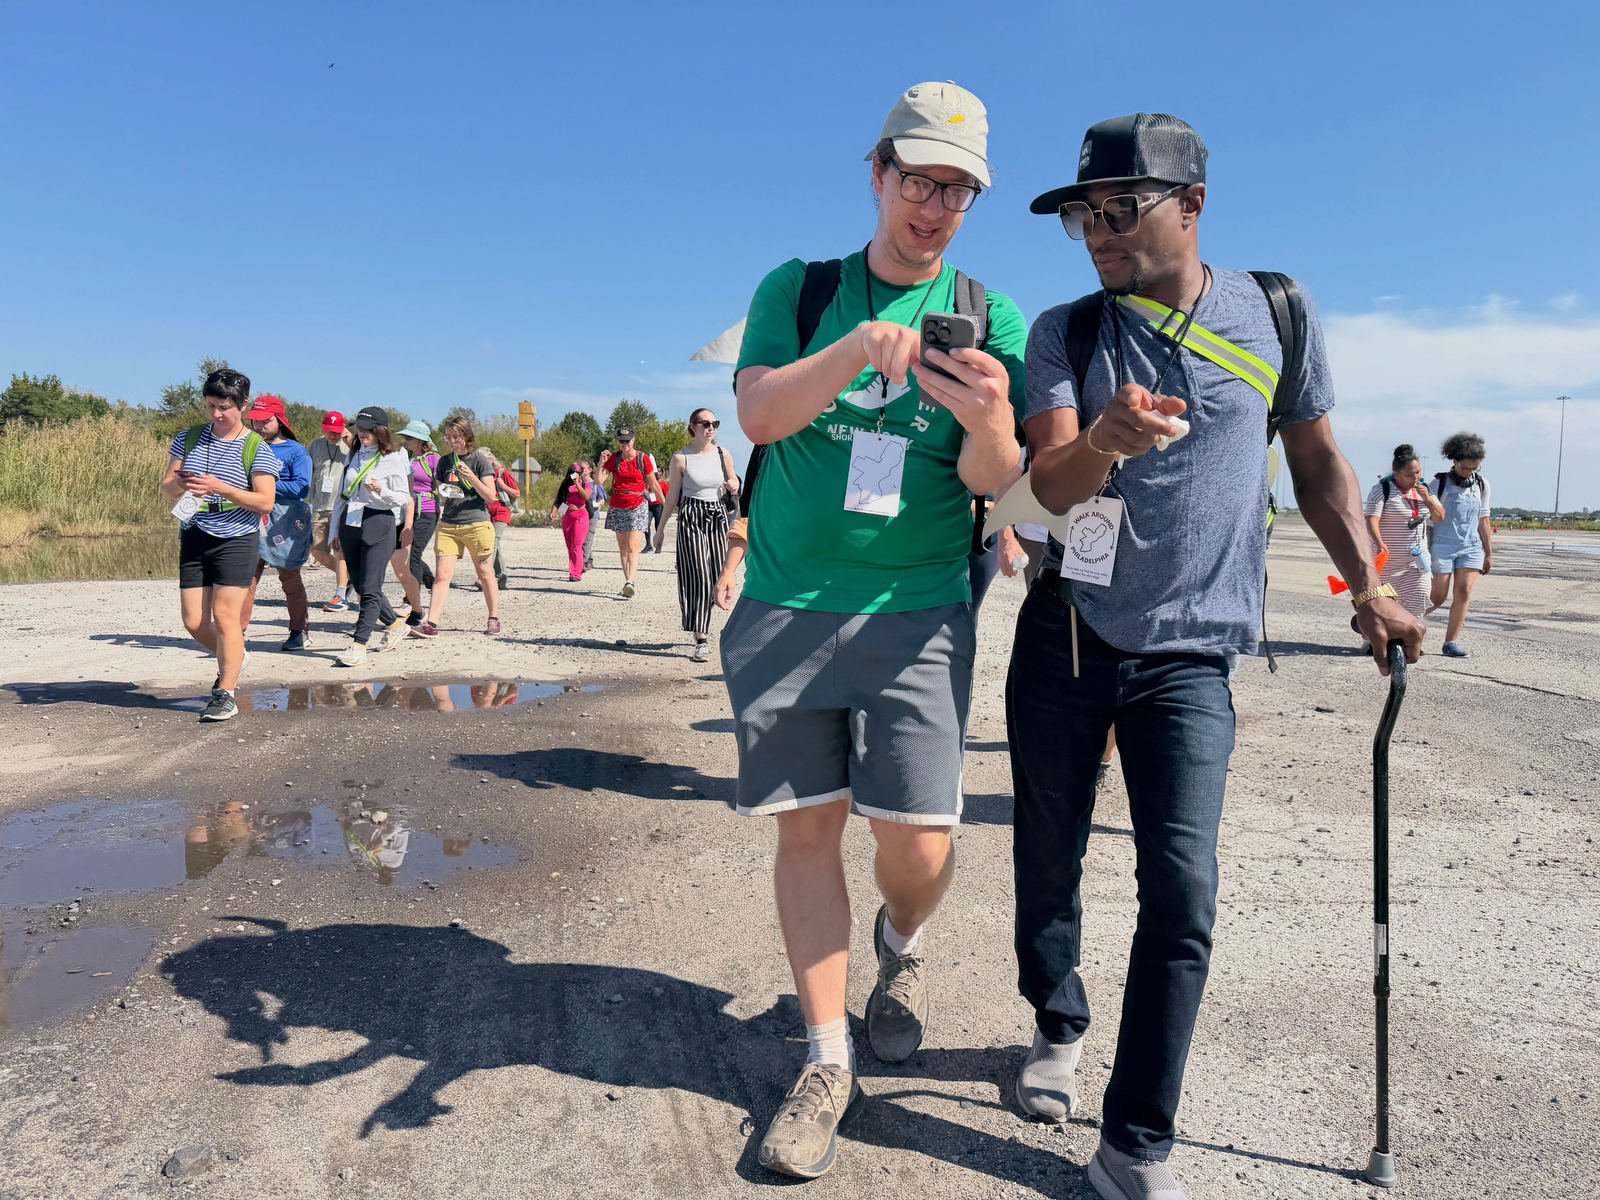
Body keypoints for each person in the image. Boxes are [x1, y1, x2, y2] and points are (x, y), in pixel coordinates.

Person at [1008, 112, 1425, 1200]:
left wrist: (1369, 586)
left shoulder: (1275, 311)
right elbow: (1047, 489)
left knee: (1182, 894)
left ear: (1192, 204)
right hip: (1066, 634)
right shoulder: (1065, 333)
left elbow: (1320, 466)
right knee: (1048, 856)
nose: (1099, 231)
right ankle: (1056, 1019)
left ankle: (1133, 1146)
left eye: (1121, 207)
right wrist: (1106, 439)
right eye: (1083, 215)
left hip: (1191, 656)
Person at [727, 82, 1026, 1179]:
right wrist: (856, 347)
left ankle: (902, 944)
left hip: (918, 613)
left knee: (921, 844)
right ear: (878, 173)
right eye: (917, 180)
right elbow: (760, 413)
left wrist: (989, 416)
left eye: (956, 190)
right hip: (784, 606)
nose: (933, 207)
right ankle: (825, 1060)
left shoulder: (992, 315)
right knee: (807, 832)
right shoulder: (800, 290)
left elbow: (996, 482)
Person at [158, 368, 282, 722]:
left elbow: (265, 502)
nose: (216, 414)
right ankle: (236, 654)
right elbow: (166, 487)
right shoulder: (189, 438)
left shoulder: (256, 447)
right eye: (211, 405)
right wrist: (180, 484)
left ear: (243, 405)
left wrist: (220, 488)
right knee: (194, 621)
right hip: (195, 532)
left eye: (224, 407)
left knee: (225, 618)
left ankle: (225, 692)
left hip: (237, 538)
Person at [328, 406, 412, 666]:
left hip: (379, 522)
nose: (362, 433)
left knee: (371, 587)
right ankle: (395, 626)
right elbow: (342, 496)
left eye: (368, 430)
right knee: (361, 585)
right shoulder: (353, 455)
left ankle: (359, 646)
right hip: (350, 522)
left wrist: (381, 490)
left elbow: (404, 499)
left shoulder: (393, 458)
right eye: (360, 429)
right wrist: (334, 531)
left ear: (380, 431)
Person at [654, 408, 739, 662]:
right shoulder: (681, 458)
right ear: (693, 426)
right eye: (705, 423)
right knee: (698, 575)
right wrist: (660, 530)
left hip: (718, 516)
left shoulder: (723, 454)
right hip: (692, 516)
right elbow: (672, 499)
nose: (711, 427)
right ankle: (702, 639)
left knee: (717, 573)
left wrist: (733, 485)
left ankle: (704, 616)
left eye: (714, 423)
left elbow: (734, 483)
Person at [411, 416, 502, 637]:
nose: (452, 441)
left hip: (477, 524)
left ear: (467, 436)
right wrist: (442, 491)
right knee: (442, 575)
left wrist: (472, 478)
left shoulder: (480, 461)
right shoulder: (444, 462)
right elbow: (440, 491)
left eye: (456, 437)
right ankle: (431, 623)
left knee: (484, 573)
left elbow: (490, 496)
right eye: (448, 437)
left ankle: (493, 618)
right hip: (449, 524)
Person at [237, 395, 314, 650]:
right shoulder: (247, 445)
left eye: (265, 421)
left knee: (289, 577)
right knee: (246, 579)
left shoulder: (296, 451)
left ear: (279, 420)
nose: (259, 426)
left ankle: (299, 631)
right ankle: (235, 634)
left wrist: (266, 485)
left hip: (284, 521)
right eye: (255, 421)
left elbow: (302, 487)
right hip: (250, 517)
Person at [1363, 443, 1446, 624]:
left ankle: (1410, 634)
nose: (1416, 478)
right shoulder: (1382, 490)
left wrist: (1427, 499)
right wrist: (1379, 543)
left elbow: (1439, 517)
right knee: (1384, 604)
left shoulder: (1425, 489)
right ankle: (1380, 635)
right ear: (1396, 474)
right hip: (1388, 562)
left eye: (1418, 472)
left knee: (1420, 595)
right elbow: (1371, 520)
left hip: (1417, 561)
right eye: (1410, 475)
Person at [1427, 431, 1493, 658]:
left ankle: (1450, 642)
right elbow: (1429, 522)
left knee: (1464, 591)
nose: (1469, 472)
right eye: (1465, 468)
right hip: (1442, 545)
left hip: (1471, 546)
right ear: (1454, 461)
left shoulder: (1482, 485)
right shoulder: (1439, 484)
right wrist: (1425, 551)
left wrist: (1488, 552)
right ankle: (1401, 623)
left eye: (1475, 468)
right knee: (1437, 596)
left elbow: (1484, 519)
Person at [598, 429, 662, 599]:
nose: (624, 444)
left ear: (633, 440)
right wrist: (601, 463)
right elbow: (598, 481)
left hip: (638, 504)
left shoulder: (643, 458)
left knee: (633, 545)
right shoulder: (614, 459)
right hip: (618, 505)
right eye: (621, 441)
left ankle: (630, 582)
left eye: (627, 441)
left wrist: (667, 504)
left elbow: (654, 484)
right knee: (623, 547)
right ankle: (627, 582)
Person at [309, 413, 353, 611]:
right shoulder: (315, 445)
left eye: (336, 432)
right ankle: (351, 576)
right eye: (329, 432)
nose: (333, 436)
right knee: (317, 550)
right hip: (319, 506)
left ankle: (340, 593)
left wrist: (352, 443)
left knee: (339, 550)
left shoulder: (350, 447)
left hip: (340, 507)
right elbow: (311, 473)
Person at [397, 420, 440, 619]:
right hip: (408, 510)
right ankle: (431, 582)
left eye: (409, 437)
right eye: (405, 437)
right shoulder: (407, 459)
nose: (406, 441)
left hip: (427, 510)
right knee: (405, 553)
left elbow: (441, 485)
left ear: (421, 440)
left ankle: (410, 602)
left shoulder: (433, 459)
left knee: (413, 553)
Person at [550, 461, 594, 581]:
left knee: (576, 545)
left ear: (580, 474)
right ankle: (575, 568)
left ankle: (576, 573)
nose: (573, 475)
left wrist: (577, 484)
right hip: (567, 516)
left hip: (580, 516)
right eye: (571, 472)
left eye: (576, 473)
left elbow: (586, 497)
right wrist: (554, 512)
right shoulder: (565, 486)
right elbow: (559, 501)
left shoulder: (585, 485)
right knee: (570, 546)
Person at [485, 454, 519, 591]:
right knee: (494, 544)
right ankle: (501, 575)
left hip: (502, 511)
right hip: (487, 512)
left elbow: (516, 493)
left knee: (493, 542)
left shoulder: (502, 473)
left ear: (491, 460)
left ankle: (484, 576)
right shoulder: (483, 475)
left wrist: (503, 486)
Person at [581, 462, 604, 570]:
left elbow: (602, 500)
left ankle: (584, 563)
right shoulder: (578, 483)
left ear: (590, 470)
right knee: (581, 539)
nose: (582, 470)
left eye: (584, 468)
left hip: (593, 514)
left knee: (588, 539)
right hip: (581, 514)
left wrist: (596, 504)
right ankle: (589, 558)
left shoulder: (596, 484)